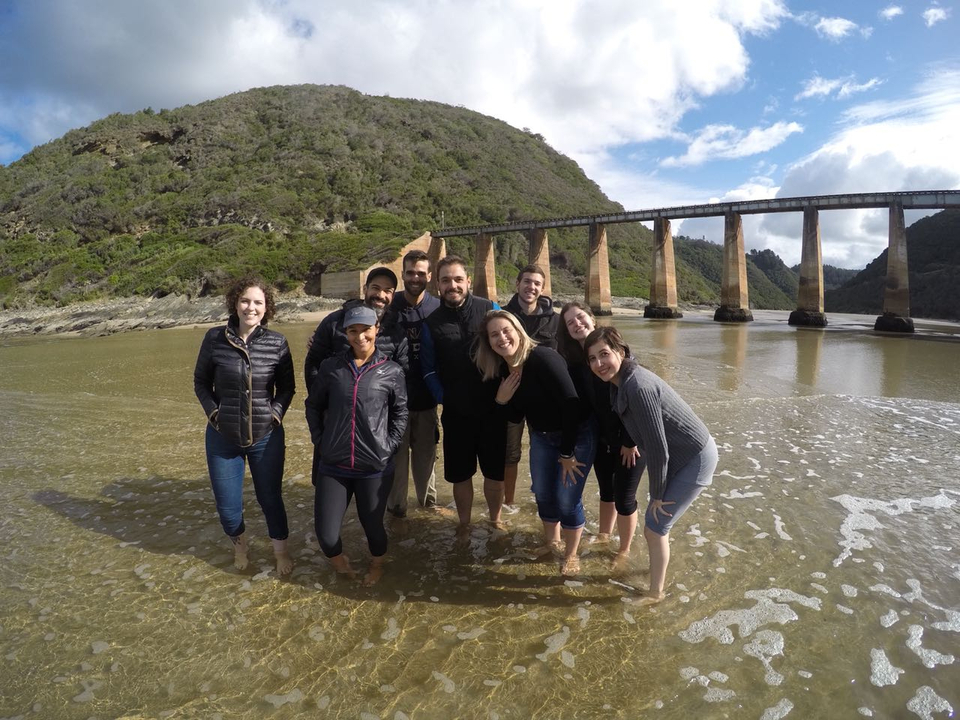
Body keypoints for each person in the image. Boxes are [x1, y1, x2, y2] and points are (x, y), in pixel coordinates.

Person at [584, 326, 718, 602]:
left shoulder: (638, 386)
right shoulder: (620, 382)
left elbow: (658, 449)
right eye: (592, 358)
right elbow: (637, 426)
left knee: (654, 527)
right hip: (683, 453)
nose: (598, 364)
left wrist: (656, 495)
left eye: (604, 354)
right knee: (656, 526)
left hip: (695, 458)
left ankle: (655, 593)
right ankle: (656, 570)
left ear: (620, 352)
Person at [475, 310, 596, 576]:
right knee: (542, 492)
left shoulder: (542, 357)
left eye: (506, 330)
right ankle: (551, 542)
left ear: (518, 330)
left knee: (567, 498)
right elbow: (516, 416)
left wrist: (567, 452)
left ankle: (571, 554)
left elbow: (571, 405)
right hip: (541, 437)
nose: (502, 338)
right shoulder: (505, 370)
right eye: (494, 335)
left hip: (575, 437)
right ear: (489, 343)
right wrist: (501, 400)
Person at [193, 276, 296, 576]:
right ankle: (240, 546)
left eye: (258, 303)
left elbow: (287, 389)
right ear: (235, 304)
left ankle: (281, 552)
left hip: (266, 436)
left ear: (267, 309)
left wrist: (275, 416)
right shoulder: (214, 339)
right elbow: (200, 382)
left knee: (271, 499)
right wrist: (215, 415)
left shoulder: (277, 343)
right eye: (245, 301)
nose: (251, 307)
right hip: (222, 437)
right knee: (227, 509)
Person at [305, 305, 408, 585]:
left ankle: (377, 565)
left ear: (377, 329)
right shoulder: (331, 368)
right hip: (333, 464)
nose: (360, 336)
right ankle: (341, 564)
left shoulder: (392, 371)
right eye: (353, 330)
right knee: (326, 536)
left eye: (366, 329)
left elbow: (400, 412)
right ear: (346, 333)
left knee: (373, 529)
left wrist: (390, 446)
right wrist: (320, 440)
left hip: (375, 465)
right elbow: (313, 405)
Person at [303, 267, 408, 491]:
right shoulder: (335, 322)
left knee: (373, 501)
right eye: (375, 288)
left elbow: (401, 379)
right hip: (335, 427)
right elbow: (314, 363)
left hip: (375, 432)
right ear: (365, 289)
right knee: (328, 494)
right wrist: (324, 404)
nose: (381, 295)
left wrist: (390, 440)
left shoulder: (397, 331)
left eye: (388, 290)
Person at [557, 302, 644, 571]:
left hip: (631, 443)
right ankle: (605, 535)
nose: (576, 324)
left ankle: (624, 550)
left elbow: (637, 401)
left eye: (580, 317)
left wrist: (630, 441)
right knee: (607, 491)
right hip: (603, 439)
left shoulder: (618, 355)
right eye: (570, 323)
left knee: (625, 498)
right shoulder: (577, 363)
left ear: (592, 318)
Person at [421, 255, 504, 530]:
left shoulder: (490, 309)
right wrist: (444, 398)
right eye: (446, 280)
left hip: (493, 410)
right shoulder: (431, 323)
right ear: (438, 285)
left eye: (458, 279)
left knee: (494, 474)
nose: (452, 285)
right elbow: (429, 369)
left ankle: (495, 521)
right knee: (460, 476)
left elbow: (510, 347)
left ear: (468, 281)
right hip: (456, 414)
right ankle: (465, 525)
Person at [386, 249, 441, 518]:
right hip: (392, 403)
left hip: (426, 401)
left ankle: (428, 511)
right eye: (410, 272)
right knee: (396, 462)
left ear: (429, 276)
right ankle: (397, 512)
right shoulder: (388, 305)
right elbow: (352, 320)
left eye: (421, 273)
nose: (415, 277)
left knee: (426, 461)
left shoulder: (438, 307)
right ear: (403, 274)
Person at [502, 264, 559, 508]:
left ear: (542, 289)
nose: (531, 287)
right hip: (513, 395)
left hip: (544, 400)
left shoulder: (555, 321)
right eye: (527, 282)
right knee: (510, 455)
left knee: (546, 452)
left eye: (536, 283)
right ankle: (509, 503)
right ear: (517, 284)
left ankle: (543, 502)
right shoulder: (503, 315)